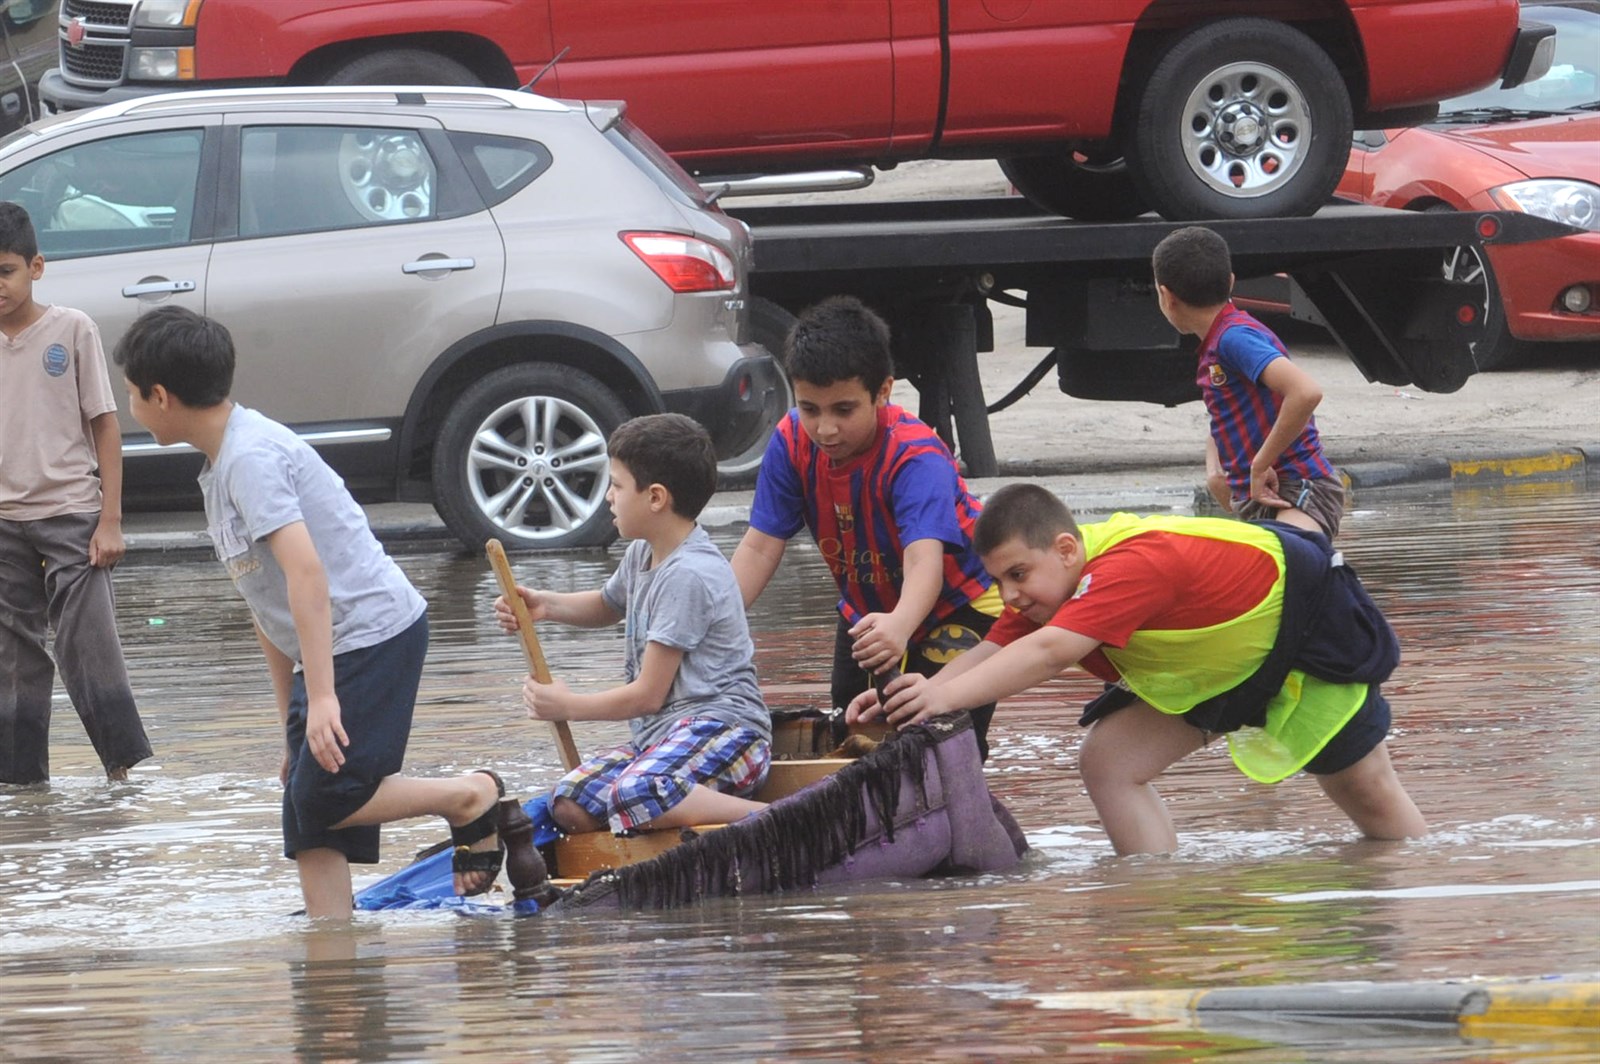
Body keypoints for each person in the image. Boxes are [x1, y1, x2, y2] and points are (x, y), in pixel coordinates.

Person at [113, 305, 510, 918]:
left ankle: (469, 797)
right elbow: (266, 602)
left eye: (132, 396)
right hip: (328, 644)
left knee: (328, 797)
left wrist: (322, 697)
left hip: (372, 633)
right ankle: (333, 941)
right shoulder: (221, 467)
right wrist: (291, 724)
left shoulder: (251, 458)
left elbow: (306, 574)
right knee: (305, 806)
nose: (131, 408)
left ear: (160, 396)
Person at [849, 483, 1427, 855]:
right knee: (1109, 761)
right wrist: (914, 692)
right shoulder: (1055, 583)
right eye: (998, 581)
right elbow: (995, 651)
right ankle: (1154, 901)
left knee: (1367, 792)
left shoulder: (1128, 568)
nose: (1008, 595)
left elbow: (1050, 654)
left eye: (1018, 575)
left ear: (1067, 550)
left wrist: (942, 702)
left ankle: (1415, 889)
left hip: (1307, 629)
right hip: (1221, 668)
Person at [730, 295, 1003, 757]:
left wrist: (899, 624)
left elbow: (924, 563)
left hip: (956, 603)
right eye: (810, 408)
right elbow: (759, 548)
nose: (825, 429)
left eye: (843, 409)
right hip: (867, 605)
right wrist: (713, 622)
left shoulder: (916, 457)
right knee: (852, 735)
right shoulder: (791, 440)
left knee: (942, 738)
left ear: (883, 392)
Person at [495, 413, 772, 836]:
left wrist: (569, 706)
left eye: (617, 485)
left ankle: (775, 818)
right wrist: (544, 605)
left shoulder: (688, 574)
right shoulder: (643, 553)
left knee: (636, 793)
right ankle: (662, 829)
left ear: (656, 498)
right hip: (662, 741)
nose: (607, 496)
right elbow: (607, 605)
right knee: (569, 801)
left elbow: (647, 696)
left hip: (727, 736)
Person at [0, 200, 151, 785]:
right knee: (14, 658)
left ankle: (121, 774)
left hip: (72, 512)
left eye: (6, 271)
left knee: (89, 644)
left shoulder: (72, 329)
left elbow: (105, 425)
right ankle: (21, 785)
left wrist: (109, 518)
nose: (0, 286)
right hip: (5, 519)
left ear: (36, 267)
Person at [1153, 225, 1345, 539]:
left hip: (1299, 489)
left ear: (1165, 296)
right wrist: (1215, 470)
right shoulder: (1216, 342)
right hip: (1258, 495)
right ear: (1231, 282)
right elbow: (1228, 412)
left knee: (1291, 567)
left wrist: (1260, 464)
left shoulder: (1235, 337)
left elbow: (1305, 392)